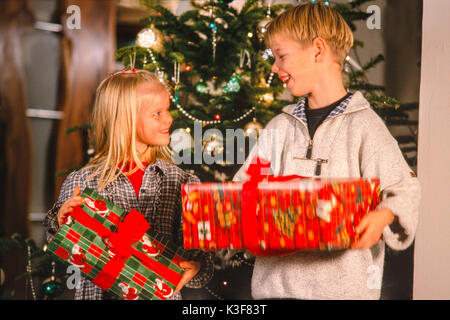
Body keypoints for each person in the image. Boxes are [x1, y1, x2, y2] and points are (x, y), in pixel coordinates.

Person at [233, 2, 420, 300]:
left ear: (318, 50)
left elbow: (405, 186)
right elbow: (240, 189)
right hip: (274, 290)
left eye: (281, 56)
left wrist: (384, 215)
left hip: (342, 292)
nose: (274, 67)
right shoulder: (279, 127)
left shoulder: (365, 127)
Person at [44, 69, 213, 300]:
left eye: (167, 110)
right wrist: (61, 222)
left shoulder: (182, 183)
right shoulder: (82, 182)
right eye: (157, 113)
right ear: (126, 119)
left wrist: (196, 266)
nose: (169, 119)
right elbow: (61, 247)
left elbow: (201, 257)